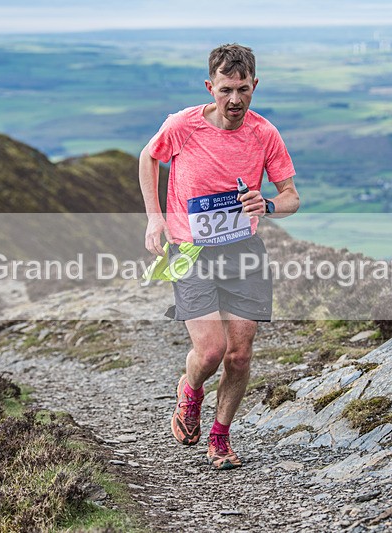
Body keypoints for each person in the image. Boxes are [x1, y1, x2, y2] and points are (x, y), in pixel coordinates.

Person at [138, 43, 299, 470]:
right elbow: (147, 158)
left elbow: (291, 198)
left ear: (255, 86)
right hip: (191, 250)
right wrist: (155, 220)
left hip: (243, 251)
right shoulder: (182, 126)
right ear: (210, 87)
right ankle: (189, 393)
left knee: (239, 355)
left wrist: (266, 205)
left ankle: (220, 438)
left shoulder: (265, 134)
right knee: (210, 352)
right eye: (226, 89)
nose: (234, 100)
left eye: (243, 89)